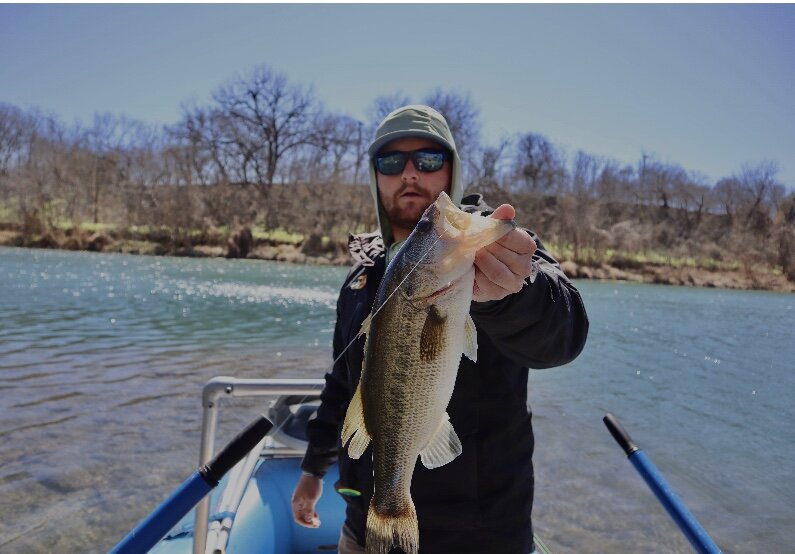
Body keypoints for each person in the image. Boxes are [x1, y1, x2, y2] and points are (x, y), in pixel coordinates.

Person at [291, 105, 589, 553]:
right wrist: (313, 469)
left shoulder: (491, 243)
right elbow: (342, 384)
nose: (410, 173)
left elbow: (563, 336)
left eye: (428, 159)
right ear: (375, 176)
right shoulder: (363, 275)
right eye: (391, 161)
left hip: (480, 538)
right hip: (365, 523)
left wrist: (510, 295)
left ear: (453, 168)